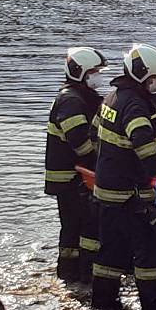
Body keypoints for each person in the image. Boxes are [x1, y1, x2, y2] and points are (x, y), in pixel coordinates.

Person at [91, 44, 156, 310]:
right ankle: (155, 309)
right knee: (151, 246)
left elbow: (97, 131)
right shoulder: (135, 105)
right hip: (130, 192)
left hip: (107, 188)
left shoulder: (112, 97)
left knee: (111, 248)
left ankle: (104, 303)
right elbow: (142, 142)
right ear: (144, 76)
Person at [45, 47, 108, 283]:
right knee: (74, 227)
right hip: (69, 178)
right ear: (79, 72)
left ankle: (77, 272)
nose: (97, 76)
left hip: (78, 177)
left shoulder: (81, 97)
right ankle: (71, 273)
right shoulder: (70, 101)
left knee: (80, 225)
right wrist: (105, 163)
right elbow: (81, 145)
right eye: (93, 71)